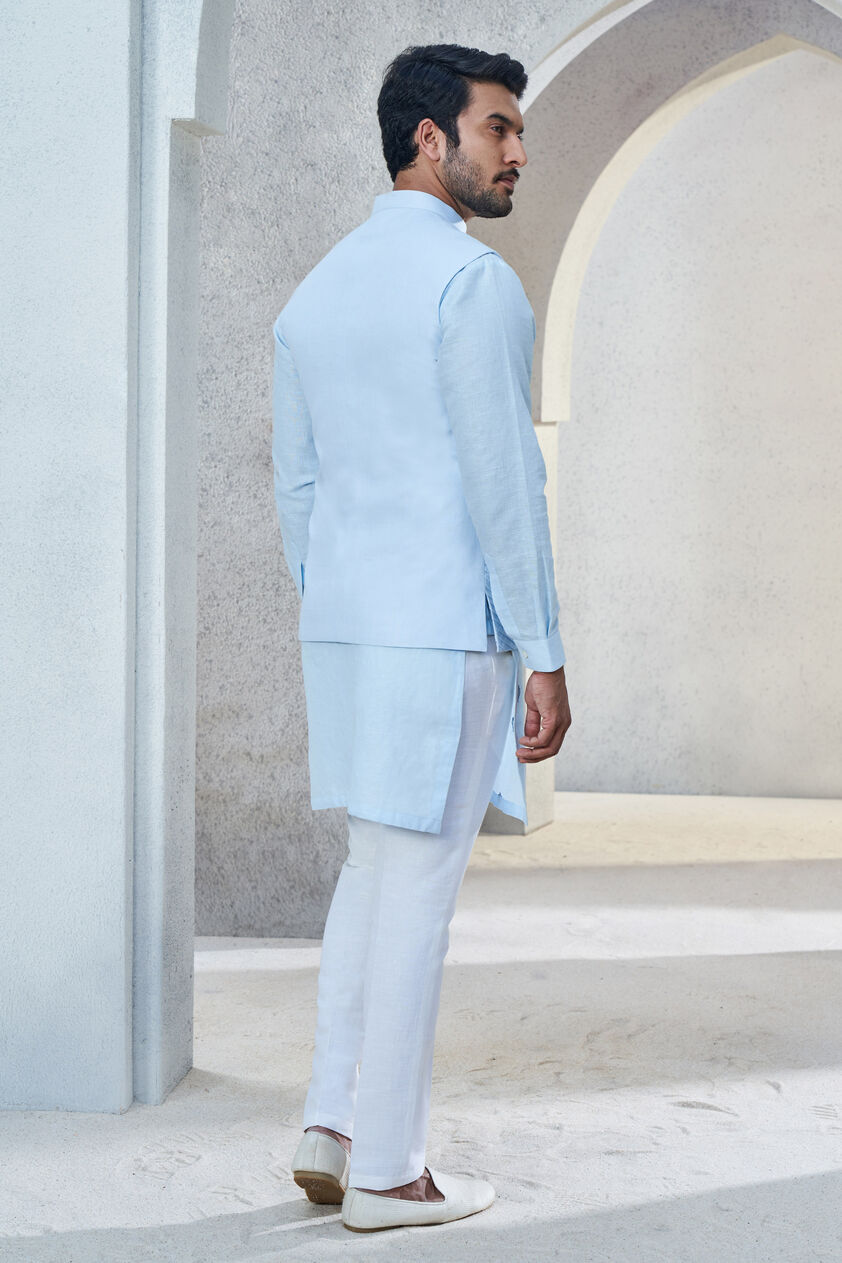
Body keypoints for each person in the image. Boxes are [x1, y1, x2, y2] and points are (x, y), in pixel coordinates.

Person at [272, 42, 572, 1234]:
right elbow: (506, 484)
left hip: (347, 629)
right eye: (498, 128)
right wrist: (542, 648)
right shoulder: (468, 282)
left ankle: (332, 1124)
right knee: (416, 895)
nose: (518, 152)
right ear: (428, 139)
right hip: (440, 631)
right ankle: (391, 1174)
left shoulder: (315, 292)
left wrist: (339, 597)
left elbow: (298, 488)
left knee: (370, 873)